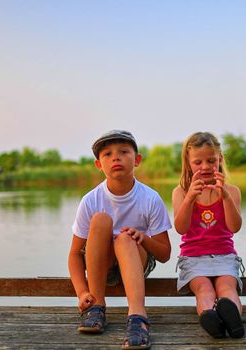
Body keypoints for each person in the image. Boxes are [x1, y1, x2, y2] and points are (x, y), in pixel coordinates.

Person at [68, 130, 171, 350]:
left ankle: (137, 315)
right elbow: (76, 253)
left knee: (124, 239)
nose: (116, 157)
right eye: (107, 154)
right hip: (101, 266)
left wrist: (142, 238)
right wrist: (82, 292)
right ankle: (96, 306)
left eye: (124, 152)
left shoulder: (150, 198)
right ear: (99, 165)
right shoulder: (91, 200)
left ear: (137, 160)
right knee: (101, 220)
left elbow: (164, 254)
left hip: (136, 263)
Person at [172, 131, 244, 339]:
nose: (205, 166)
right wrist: (189, 200)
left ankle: (234, 321)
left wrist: (226, 198)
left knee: (227, 287)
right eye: (198, 162)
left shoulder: (232, 190)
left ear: (220, 159)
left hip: (224, 255)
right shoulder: (181, 192)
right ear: (189, 163)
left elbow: (234, 227)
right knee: (204, 289)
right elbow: (181, 228)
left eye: (211, 160)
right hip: (193, 258)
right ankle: (210, 317)